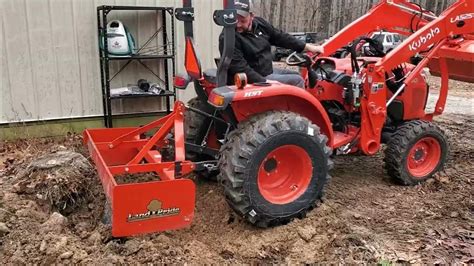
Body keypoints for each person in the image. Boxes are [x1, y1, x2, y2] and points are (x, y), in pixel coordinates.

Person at [219, 0, 324, 88]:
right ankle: (296, 112)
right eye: (234, 19)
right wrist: (265, 82)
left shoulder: (260, 24)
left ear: (251, 16)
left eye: (242, 20)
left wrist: (307, 47)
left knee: (297, 75)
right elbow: (240, 68)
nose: (238, 24)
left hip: (266, 72)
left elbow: (280, 37)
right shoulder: (228, 37)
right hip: (250, 79)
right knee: (297, 81)